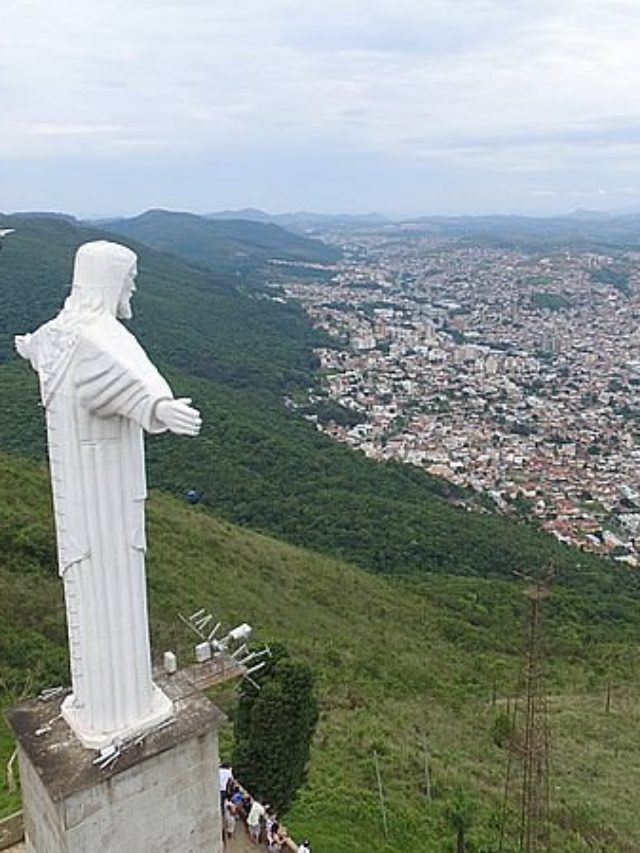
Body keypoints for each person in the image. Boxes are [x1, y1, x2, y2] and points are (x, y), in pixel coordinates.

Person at [15, 240, 201, 748]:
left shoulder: (59, 336)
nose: (134, 288)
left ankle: (111, 703)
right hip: (105, 493)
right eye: (130, 278)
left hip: (78, 489)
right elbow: (131, 383)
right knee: (111, 586)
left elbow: (56, 359)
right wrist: (162, 410)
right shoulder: (97, 339)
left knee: (97, 587)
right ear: (109, 280)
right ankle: (119, 709)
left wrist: (30, 348)